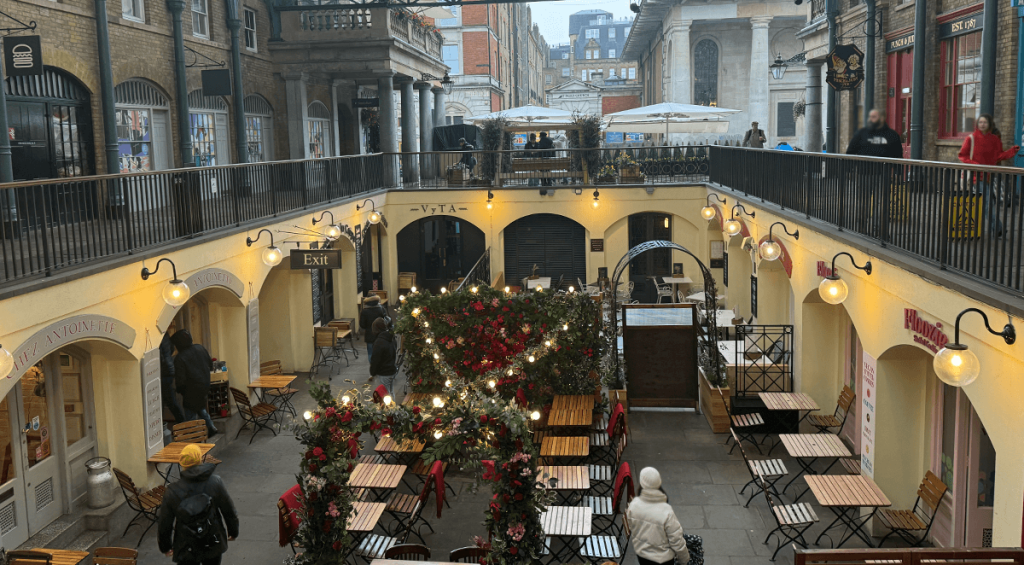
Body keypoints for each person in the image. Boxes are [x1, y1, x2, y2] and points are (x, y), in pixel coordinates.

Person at [158, 444, 239, 565]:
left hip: (186, 544)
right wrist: (233, 531)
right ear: (200, 459)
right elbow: (228, 509)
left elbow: (165, 522)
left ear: (182, 464)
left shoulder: (172, 491)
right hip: (213, 540)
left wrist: (165, 547)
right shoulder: (215, 482)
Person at [958, 113, 1019, 236]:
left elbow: (998, 156)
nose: (982, 124)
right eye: (980, 122)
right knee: (985, 205)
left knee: (983, 205)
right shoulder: (971, 138)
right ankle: (997, 228)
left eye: (985, 122)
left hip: (988, 177)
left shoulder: (994, 139)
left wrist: (1012, 151)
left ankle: (981, 228)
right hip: (974, 177)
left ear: (989, 124)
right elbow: (962, 155)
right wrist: (975, 164)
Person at [627, 467, 689, 565]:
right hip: (663, 559)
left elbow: (632, 527)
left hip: (642, 555)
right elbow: (676, 540)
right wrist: (684, 560)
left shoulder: (633, 505)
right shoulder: (666, 511)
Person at [170, 329, 218, 437]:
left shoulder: (180, 358)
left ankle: (194, 436)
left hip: (190, 390)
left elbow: (180, 379)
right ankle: (210, 426)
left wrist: (180, 389)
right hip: (204, 385)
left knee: (190, 414)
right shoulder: (200, 348)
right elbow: (210, 365)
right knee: (200, 406)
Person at [160, 322, 187, 424]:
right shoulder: (166, 336)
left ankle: (182, 424)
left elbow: (160, 357)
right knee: (169, 400)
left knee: (167, 401)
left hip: (164, 371)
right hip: (169, 370)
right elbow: (171, 350)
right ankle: (181, 423)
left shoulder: (159, 339)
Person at [369, 317, 398, 395]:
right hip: (391, 370)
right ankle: (393, 407)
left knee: (383, 396)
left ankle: (389, 407)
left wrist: (373, 372)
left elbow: (375, 359)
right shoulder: (391, 338)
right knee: (391, 393)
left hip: (383, 373)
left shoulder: (379, 342)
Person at [359, 294, 387, 360]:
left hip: (369, 335)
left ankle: (373, 368)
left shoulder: (364, 311)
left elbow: (362, 325)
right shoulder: (381, 309)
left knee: (370, 353)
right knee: (381, 353)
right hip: (381, 335)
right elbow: (386, 321)